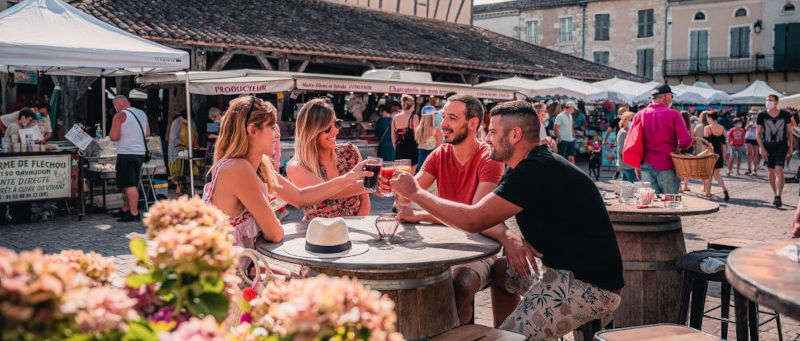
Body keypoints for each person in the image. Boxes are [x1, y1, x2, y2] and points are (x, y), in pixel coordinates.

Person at [389, 100, 624, 339]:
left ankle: (510, 335)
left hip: (589, 286)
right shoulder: (525, 166)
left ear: (515, 135)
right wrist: (508, 236)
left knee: (508, 339)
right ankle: (507, 329)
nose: (487, 137)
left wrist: (417, 194)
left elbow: (473, 219)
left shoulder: (534, 170)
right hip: (557, 270)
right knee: (502, 270)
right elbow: (489, 213)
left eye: (492, 131)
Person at [389, 94, 537, 326]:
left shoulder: (489, 157)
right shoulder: (439, 154)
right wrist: (396, 188)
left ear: (473, 123)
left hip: (479, 246)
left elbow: (472, 217)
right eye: (444, 116)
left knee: (458, 285)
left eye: (452, 118)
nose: (443, 124)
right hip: (444, 244)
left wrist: (417, 211)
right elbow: (405, 199)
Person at [203, 96, 372, 263]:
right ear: (252, 130)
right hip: (228, 274)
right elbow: (275, 233)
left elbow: (300, 197)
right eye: (271, 127)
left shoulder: (260, 165)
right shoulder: (238, 168)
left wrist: (349, 177)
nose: (277, 133)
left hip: (246, 265)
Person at [286, 98, 370, 220]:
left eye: (336, 124)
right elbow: (329, 191)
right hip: (320, 236)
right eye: (327, 128)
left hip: (354, 233)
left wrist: (355, 229)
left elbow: (365, 200)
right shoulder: (297, 166)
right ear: (311, 131)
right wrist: (371, 184)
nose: (335, 131)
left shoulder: (350, 152)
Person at [634, 84, 694, 194]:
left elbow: (632, 143)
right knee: (670, 203)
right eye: (672, 96)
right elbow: (686, 142)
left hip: (645, 164)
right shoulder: (674, 114)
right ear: (666, 96)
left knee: (651, 203)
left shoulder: (640, 115)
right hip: (668, 164)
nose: (671, 99)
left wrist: (636, 164)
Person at [109, 95, 149, 222]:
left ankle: (134, 213)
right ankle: (125, 209)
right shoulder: (141, 113)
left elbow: (113, 136)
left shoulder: (119, 116)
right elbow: (147, 133)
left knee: (130, 184)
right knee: (130, 182)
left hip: (126, 153)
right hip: (140, 153)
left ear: (117, 105)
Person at [757, 94, 794, 208]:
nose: (768, 102)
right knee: (771, 172)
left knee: (779, 170)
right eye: (767, 100)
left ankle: (778, 195)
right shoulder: (761, 115)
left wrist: (791, 146)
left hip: (781, 146)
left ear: (777, 102)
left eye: (771, 100)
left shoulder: (785, 115)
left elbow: (789, 132)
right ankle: (775, 194)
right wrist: (762, 148)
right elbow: (758, 134)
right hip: (767, 147)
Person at [168, 110, 199, 195]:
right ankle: (178, 188)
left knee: (187, 169)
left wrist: (195, 144)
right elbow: (173, 139)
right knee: (178, 170)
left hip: (189, 150)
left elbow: (196, 134)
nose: (186, 121)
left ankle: (185, 186)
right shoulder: (176, 123)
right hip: (177, 150)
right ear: (181, 117)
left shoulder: (191, 121)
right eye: (185, 119)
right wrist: (186, 144)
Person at [703, 112, 729, 201]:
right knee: (717, 175)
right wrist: (724, 156)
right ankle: (725, 190)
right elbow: (724, 144)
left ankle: (709, 194)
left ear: (710, 118)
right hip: (719, 154)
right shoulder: (722, 128)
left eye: (707, 118)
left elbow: (705, 144)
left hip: (710, 154)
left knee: (709, 175)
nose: (707, 120)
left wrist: (702, 154)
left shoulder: (707, 128)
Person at [391, 94, 419, 169]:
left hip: (399, 150)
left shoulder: (395, 117)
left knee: (400, 175)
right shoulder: (414, 117)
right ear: (413, 105)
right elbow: (417, 136)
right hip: (412, 150)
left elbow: (393, 136)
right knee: (411, 177)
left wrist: (396, 149)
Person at [414, 105, 442, 172]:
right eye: (435, 114)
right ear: (432, 116)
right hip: (432, 156)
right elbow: (439, 148)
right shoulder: (436, 130)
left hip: (421, 156)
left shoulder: (418, 129)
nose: (436, 116)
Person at [616, 112, 637, 182]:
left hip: (626, 164)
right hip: (628, 165)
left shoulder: (628, 132)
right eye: (630, 120)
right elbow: (621, 150)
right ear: (624, 121)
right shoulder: (623, 133)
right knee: (632, 185)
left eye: (634, 119)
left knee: (626, 186)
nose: (632, 121)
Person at [744, 107, 760, 175]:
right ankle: (749, 168)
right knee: (749, 153)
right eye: (752, 113)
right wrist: (748, 126)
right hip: (748, 136)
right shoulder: (749, 119)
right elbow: (746, 128)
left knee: (755, 154)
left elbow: (761, 128)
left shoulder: (759, 119)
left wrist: (755, 127)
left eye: (755, 113)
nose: (753, 114)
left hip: (756, 137)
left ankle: (755, 169)